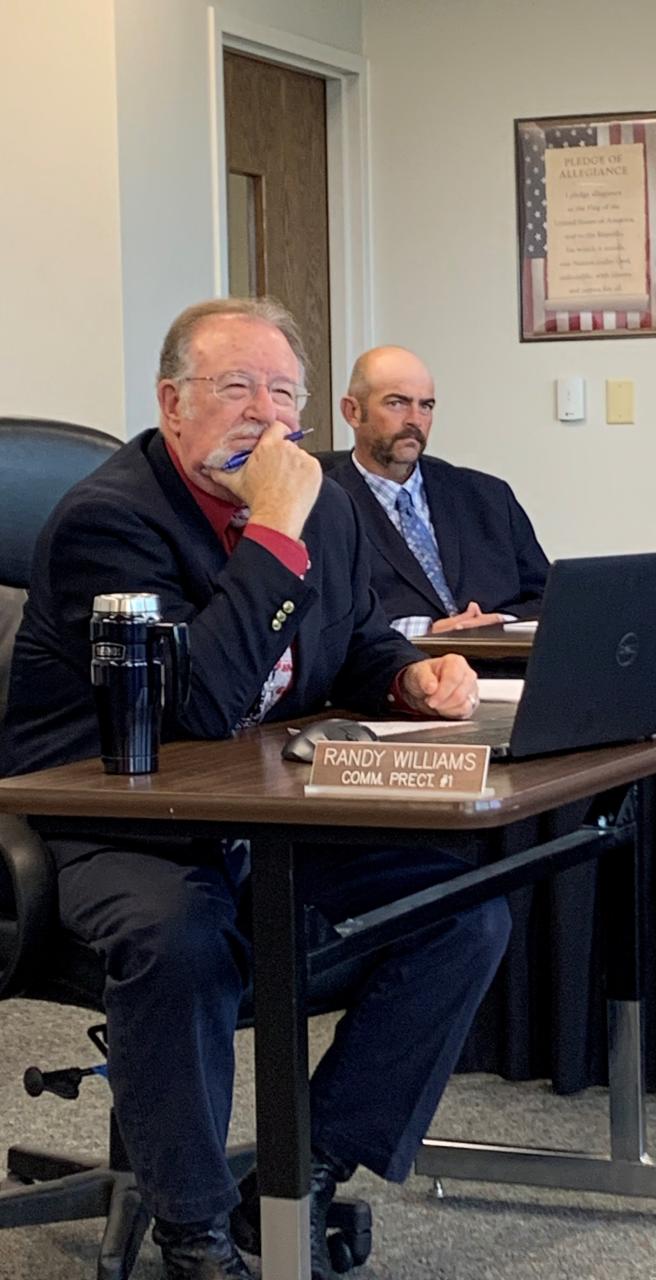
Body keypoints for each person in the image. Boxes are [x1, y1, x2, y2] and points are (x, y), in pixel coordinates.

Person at [0, 299, 511, 1280]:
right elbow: (197, 702)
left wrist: (410, 676)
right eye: (237, 389)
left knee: (458, 911)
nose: (265, 418)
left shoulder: (323, 509)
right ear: (171, 402)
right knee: (180, 936)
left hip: (261, 816)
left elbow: (353, 639)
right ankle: (194, 1235)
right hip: (113, 823)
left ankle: (297, 1171)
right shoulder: (108, 521)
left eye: (285, 395)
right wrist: (277, 525)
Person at [328, 346, 549, 637]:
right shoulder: (322, 506)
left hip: (501, 665)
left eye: (426, 406)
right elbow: (326, 623)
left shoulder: (489, 497)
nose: (415, 420)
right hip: (398, 671)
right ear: (352, 412)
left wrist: (498, 620)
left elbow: (549, 599)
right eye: (396, 403)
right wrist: (428, 630)